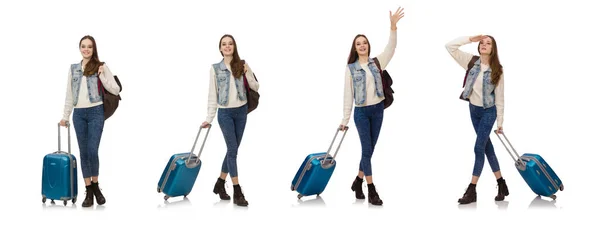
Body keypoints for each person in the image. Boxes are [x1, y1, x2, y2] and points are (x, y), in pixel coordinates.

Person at [340, 7, 404, 206]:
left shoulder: (377, 63)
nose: (362, 46)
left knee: (369, 150)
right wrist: (344, 120)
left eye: (364, 43)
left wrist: (393, 27)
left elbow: (391, 48)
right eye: (358, 44)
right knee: (367, 150)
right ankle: (371, 189)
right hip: (361, 113)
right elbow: (347, 95)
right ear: (354, 48)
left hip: (378, 111)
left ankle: (358, 181)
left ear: (368, 45)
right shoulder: (350, 68)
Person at [445, 34, 509, 205]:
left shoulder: (498, 70)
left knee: (478, 148)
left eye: (488, 43)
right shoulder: (471, 62)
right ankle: (501, 183)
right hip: (474, 110)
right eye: (482, 43)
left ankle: (472, 189)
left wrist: (500, 123)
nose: (484, 45)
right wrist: (470, 39)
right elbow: (449, 46)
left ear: (493, 49)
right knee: (487, 148)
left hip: (489, 112)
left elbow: (500, 99)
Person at [59, 35, 121, 208]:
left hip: (96, 112)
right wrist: (65, 116)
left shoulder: (101, 66)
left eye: (89, 47)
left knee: (92, 151)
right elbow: (69, 94)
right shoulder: (73, 69)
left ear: (94, 49)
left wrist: (102, 76)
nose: (86, 49)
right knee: (84, 153)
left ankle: (95, 186)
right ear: (79, 48)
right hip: (78, 114)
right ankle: (89, 190)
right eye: (83, 46)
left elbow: (115, 89)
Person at [201, 34, 259, 207]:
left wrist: (248, 73)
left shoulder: (241, 64)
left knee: (231, 151)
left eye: (230, 44)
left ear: (234, 47)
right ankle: (237, 190)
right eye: (224, 44)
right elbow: (213, 95)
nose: (227, 47)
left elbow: (256, 87)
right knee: (233, 150)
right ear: (220, 48)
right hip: (225, 114)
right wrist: (209, 118)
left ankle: (220, 183)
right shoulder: (215, 68)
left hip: (241, 112)